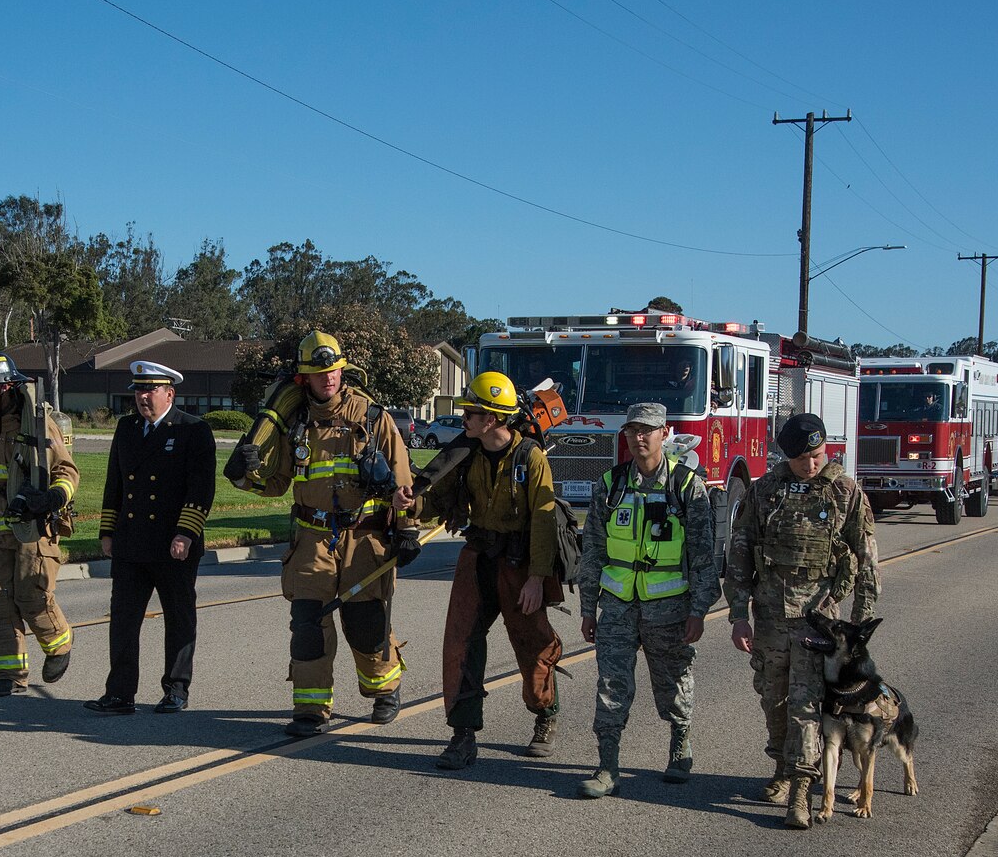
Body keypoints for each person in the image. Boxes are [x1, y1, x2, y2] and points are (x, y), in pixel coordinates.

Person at [232, 329, 414, 736]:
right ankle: (311, 708)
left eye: (333, 370)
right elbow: (277, 483)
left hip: (364, 538)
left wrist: (407, 530)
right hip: (311, 537)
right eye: (319, 372)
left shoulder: (372, 418)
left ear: (342, 371)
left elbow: (402, 479)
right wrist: (244, 475)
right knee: (308, 623)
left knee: (365, 621)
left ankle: (384, 688)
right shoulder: (292, 423)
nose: (328, 378)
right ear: (304, 379)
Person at [394, 371, 563, 769]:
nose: (464, 418)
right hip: (478, 556)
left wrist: (538, 579)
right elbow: (438, 500)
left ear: (492, 419)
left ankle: (545, 714)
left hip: (521, 564)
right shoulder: (467, 454)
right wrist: (412, 504)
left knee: (531, 644)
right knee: (460, 644)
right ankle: (463, 735)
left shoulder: (531, 459)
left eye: (471, 412)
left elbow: (543, 521)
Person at [725, 413, 880, 830]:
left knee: (806, 705)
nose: (811, 464)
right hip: (771, 618)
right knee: (772, 698)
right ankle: (781, 765)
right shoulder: (765, 491)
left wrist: (860, 627)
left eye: (816, 455)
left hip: (818, 625)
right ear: (785, 456)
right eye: (801, 459)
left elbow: (866, 562)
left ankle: (800, 789)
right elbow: (740, 553)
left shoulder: (845, 492)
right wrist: (739, 615)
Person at [572, 401, 718, 795]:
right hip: (617, 607)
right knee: (610, 686)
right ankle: (607, 767)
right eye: (632, 430)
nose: (639, 438)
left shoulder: (687, 487)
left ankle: (680, 744)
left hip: (669, 608)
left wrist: (699, 611)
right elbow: (593, 552)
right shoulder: (611, 484)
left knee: (673, 682)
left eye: (647, 430)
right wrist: (588, 609)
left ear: (664, 433)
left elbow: (704, 557)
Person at [86, 360, 215, 715]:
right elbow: (115, 483)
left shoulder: (193, 430)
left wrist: (186, 533)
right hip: (130, 543)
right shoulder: (127, 428)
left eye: (150, 390)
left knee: (178, 618)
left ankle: (176, 689)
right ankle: (120, 693)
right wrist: (107, 531)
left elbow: (201, 489)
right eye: (138, 391)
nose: (142, 397)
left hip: (173, 544)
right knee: (123, 621)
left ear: (169, 393)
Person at [0, 350, 79, 696]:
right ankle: (10, 675)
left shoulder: (37, 423)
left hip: (33, 524)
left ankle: (59, 643)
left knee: (30, 595)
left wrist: (53, 498)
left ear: (6, 386)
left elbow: (66, 471)